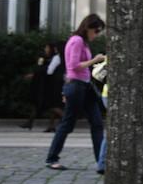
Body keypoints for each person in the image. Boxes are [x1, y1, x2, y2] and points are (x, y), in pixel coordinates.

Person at [45, 14, 106, 171]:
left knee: (97, 123)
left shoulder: (83, 42)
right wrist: (95, 60)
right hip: (77, 86)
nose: (97, 34)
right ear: (88, 28)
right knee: (67, 123)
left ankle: (102, 162)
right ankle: (52, 158)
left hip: (85, 86)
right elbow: (73, 66)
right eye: (96, 31)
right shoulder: (77, 41)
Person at [20, 42, 65, 131]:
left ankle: (66, 119)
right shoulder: (60, 57)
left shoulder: (55, 58)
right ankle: (50, 125)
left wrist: (38, 73)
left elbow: (49, 71)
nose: (46, 49)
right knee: (51, 104)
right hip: (54, 83)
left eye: (47, 47)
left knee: (51, 105)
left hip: (51, 84)